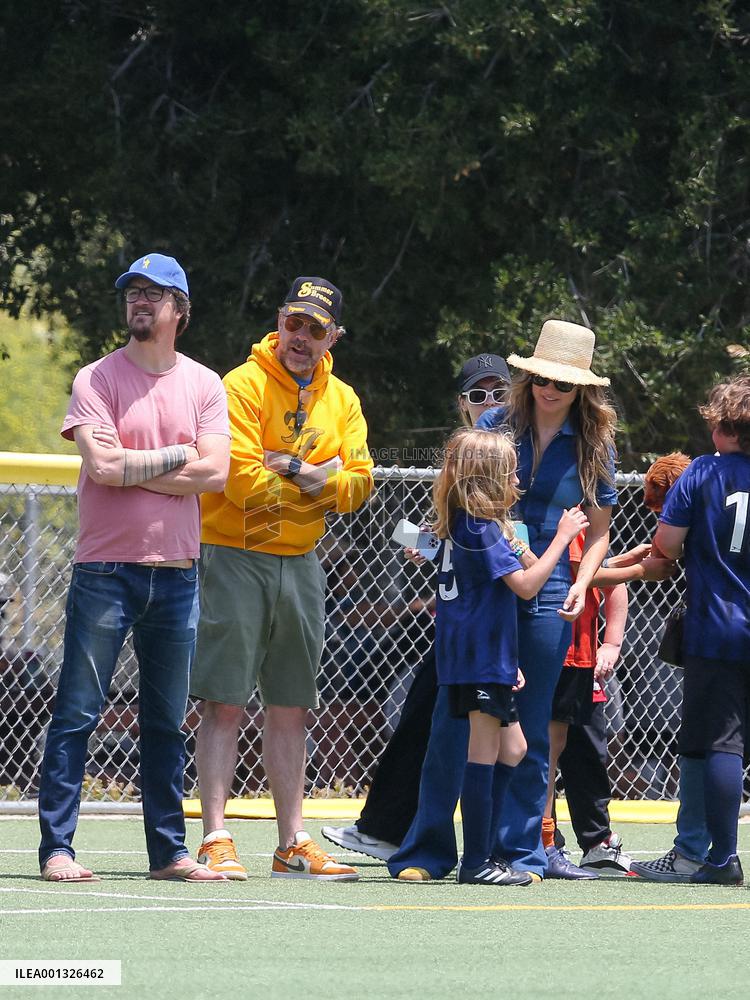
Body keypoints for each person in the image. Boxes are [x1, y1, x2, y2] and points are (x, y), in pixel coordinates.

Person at [387, 319, 617, 882]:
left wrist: (584, 583)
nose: (549, 391)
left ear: (582, 389)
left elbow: (602, 531)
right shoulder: (494, 424)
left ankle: (517, 854)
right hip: (486, 589)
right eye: (541, 378)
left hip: (551, 591)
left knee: (531, 728)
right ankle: (428, 852)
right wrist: (434, 540)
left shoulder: (594, 444)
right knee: (452, 721)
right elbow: (453, 497)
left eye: (562, 385)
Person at [37, 252, 231, 883]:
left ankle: (169, 852)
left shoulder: (204, 384)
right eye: (132, 293)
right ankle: (57, 848)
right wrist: (180, 457)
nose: (140, 302)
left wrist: (141, 463)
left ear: (180, 310)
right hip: (105, 570)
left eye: (155, 294)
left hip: (178, 573)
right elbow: (105, 468)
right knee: (78, 711)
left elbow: (218, 473)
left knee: (166, 720)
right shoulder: (95, 379)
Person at [191, 276, 374, 881]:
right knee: (223, 702)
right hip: (234, 553)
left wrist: (293, 468)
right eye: (295, 323)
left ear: (333, 338)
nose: (301, 337)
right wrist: (319, 480)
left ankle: (291, 841)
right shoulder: (239, 386)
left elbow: (359, 486)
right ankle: (216, 836)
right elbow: (240, 481)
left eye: (315, 329)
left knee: (291, 705)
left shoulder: (342, 398)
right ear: (280, 320)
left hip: (301, 561)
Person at [321, 354, 511, 861]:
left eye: (500, 394)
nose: (490, 404)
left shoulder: (515, 458)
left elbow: (508, 553)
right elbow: (469, 544)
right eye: (479, 395)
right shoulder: (460, 459)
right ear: (462, 404)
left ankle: (510, 846)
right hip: (460, 625)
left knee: (518, 741)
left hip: (494, 630)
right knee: (437, 723)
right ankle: (400, 831)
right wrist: (432, 545)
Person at [433, 428, 588, 884]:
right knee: (483, 754)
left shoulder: (473, 523)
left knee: (515, 748)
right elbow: (526, 585)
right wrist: (562, 537)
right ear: (490, 476)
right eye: (509, 469)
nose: (515, 476)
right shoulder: (478, 528)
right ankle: (476, 862)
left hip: (486, 655)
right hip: (477, 658)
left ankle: (490, 852)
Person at [637, 381, 750, 886]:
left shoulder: (703, 472)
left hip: (721, 627)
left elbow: (667, 543)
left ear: (719, 423)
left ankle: (722, 858)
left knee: (722, 744)